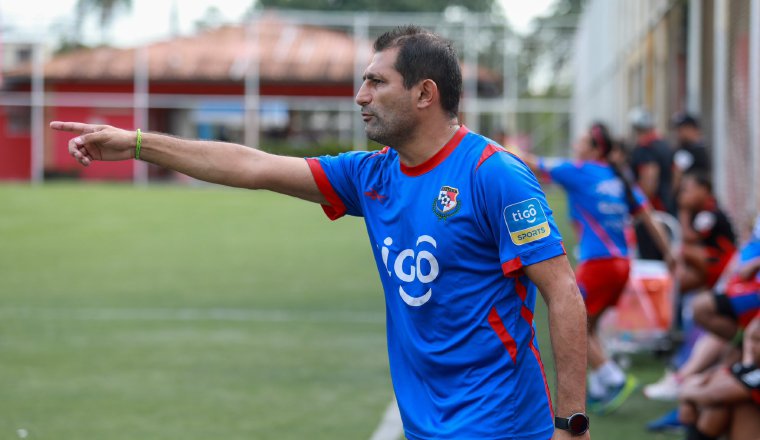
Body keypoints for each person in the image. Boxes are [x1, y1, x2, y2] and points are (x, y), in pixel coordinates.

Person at [51, 26, 590, 440]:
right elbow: (252, 165)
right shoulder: (372, 174)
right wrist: (139, 143)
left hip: (499, 424)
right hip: (425, 423)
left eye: (376, 82)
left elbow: (563, 292)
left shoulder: (494, 175)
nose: (361, 95)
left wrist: (571, 423)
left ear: (425, 93)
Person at [512, 122, 675, 415]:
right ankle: (599, 387)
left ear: (595, 148)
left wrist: (504, 146)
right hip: (623, 264)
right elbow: (649, 217)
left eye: (582, 140)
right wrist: (669, 253)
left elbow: (529, 163)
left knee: (572, 322)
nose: (576, 144)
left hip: (598, 264)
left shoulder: (580, 171)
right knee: (591, 323)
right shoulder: (619, 178)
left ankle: (612, 377)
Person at [678, 313, 760, 440]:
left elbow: (716, 395)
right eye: (752, 340)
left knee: (723, 401)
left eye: (758, 341)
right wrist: (688, 399)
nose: (753, 347)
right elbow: (718, 376)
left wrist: (686, 394)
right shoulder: (752, 368)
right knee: (719, 401)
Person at [628, 107, 675, 260]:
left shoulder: (645, 148)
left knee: (651, 261)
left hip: (652, 212)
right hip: (666, 206)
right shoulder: (664, 144)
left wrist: (639, 206)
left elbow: (649, 178)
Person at [670, 112, 711, 193]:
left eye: (681, 129)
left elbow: (677, 177)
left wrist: (671, 197)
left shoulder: (686, 152)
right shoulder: (700, 148)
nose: (678, 133)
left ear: (691, 129)